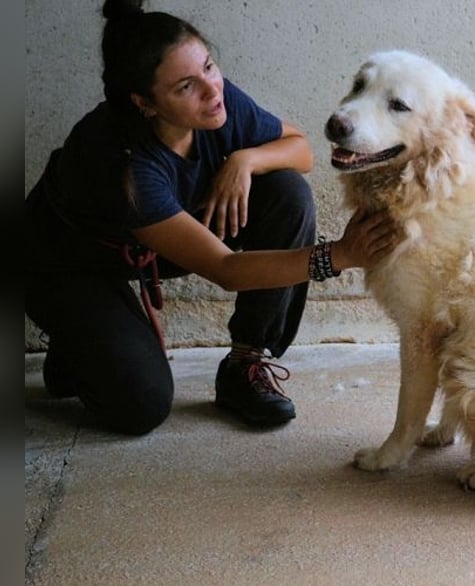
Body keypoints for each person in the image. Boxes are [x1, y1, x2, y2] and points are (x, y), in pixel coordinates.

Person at [24, 0, 398, 435]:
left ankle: (245, 364)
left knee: (284, 190)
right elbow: (225, 269)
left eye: (209, 66)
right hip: (62, 262)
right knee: (139, 408)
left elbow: (300, 150)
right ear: (145, 103)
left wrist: (245, 160)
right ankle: (79, 343)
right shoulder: (123, 168)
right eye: (185, 86)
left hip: (149, 242)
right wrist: (339, 256)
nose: (211, 90)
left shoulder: (216, 101)